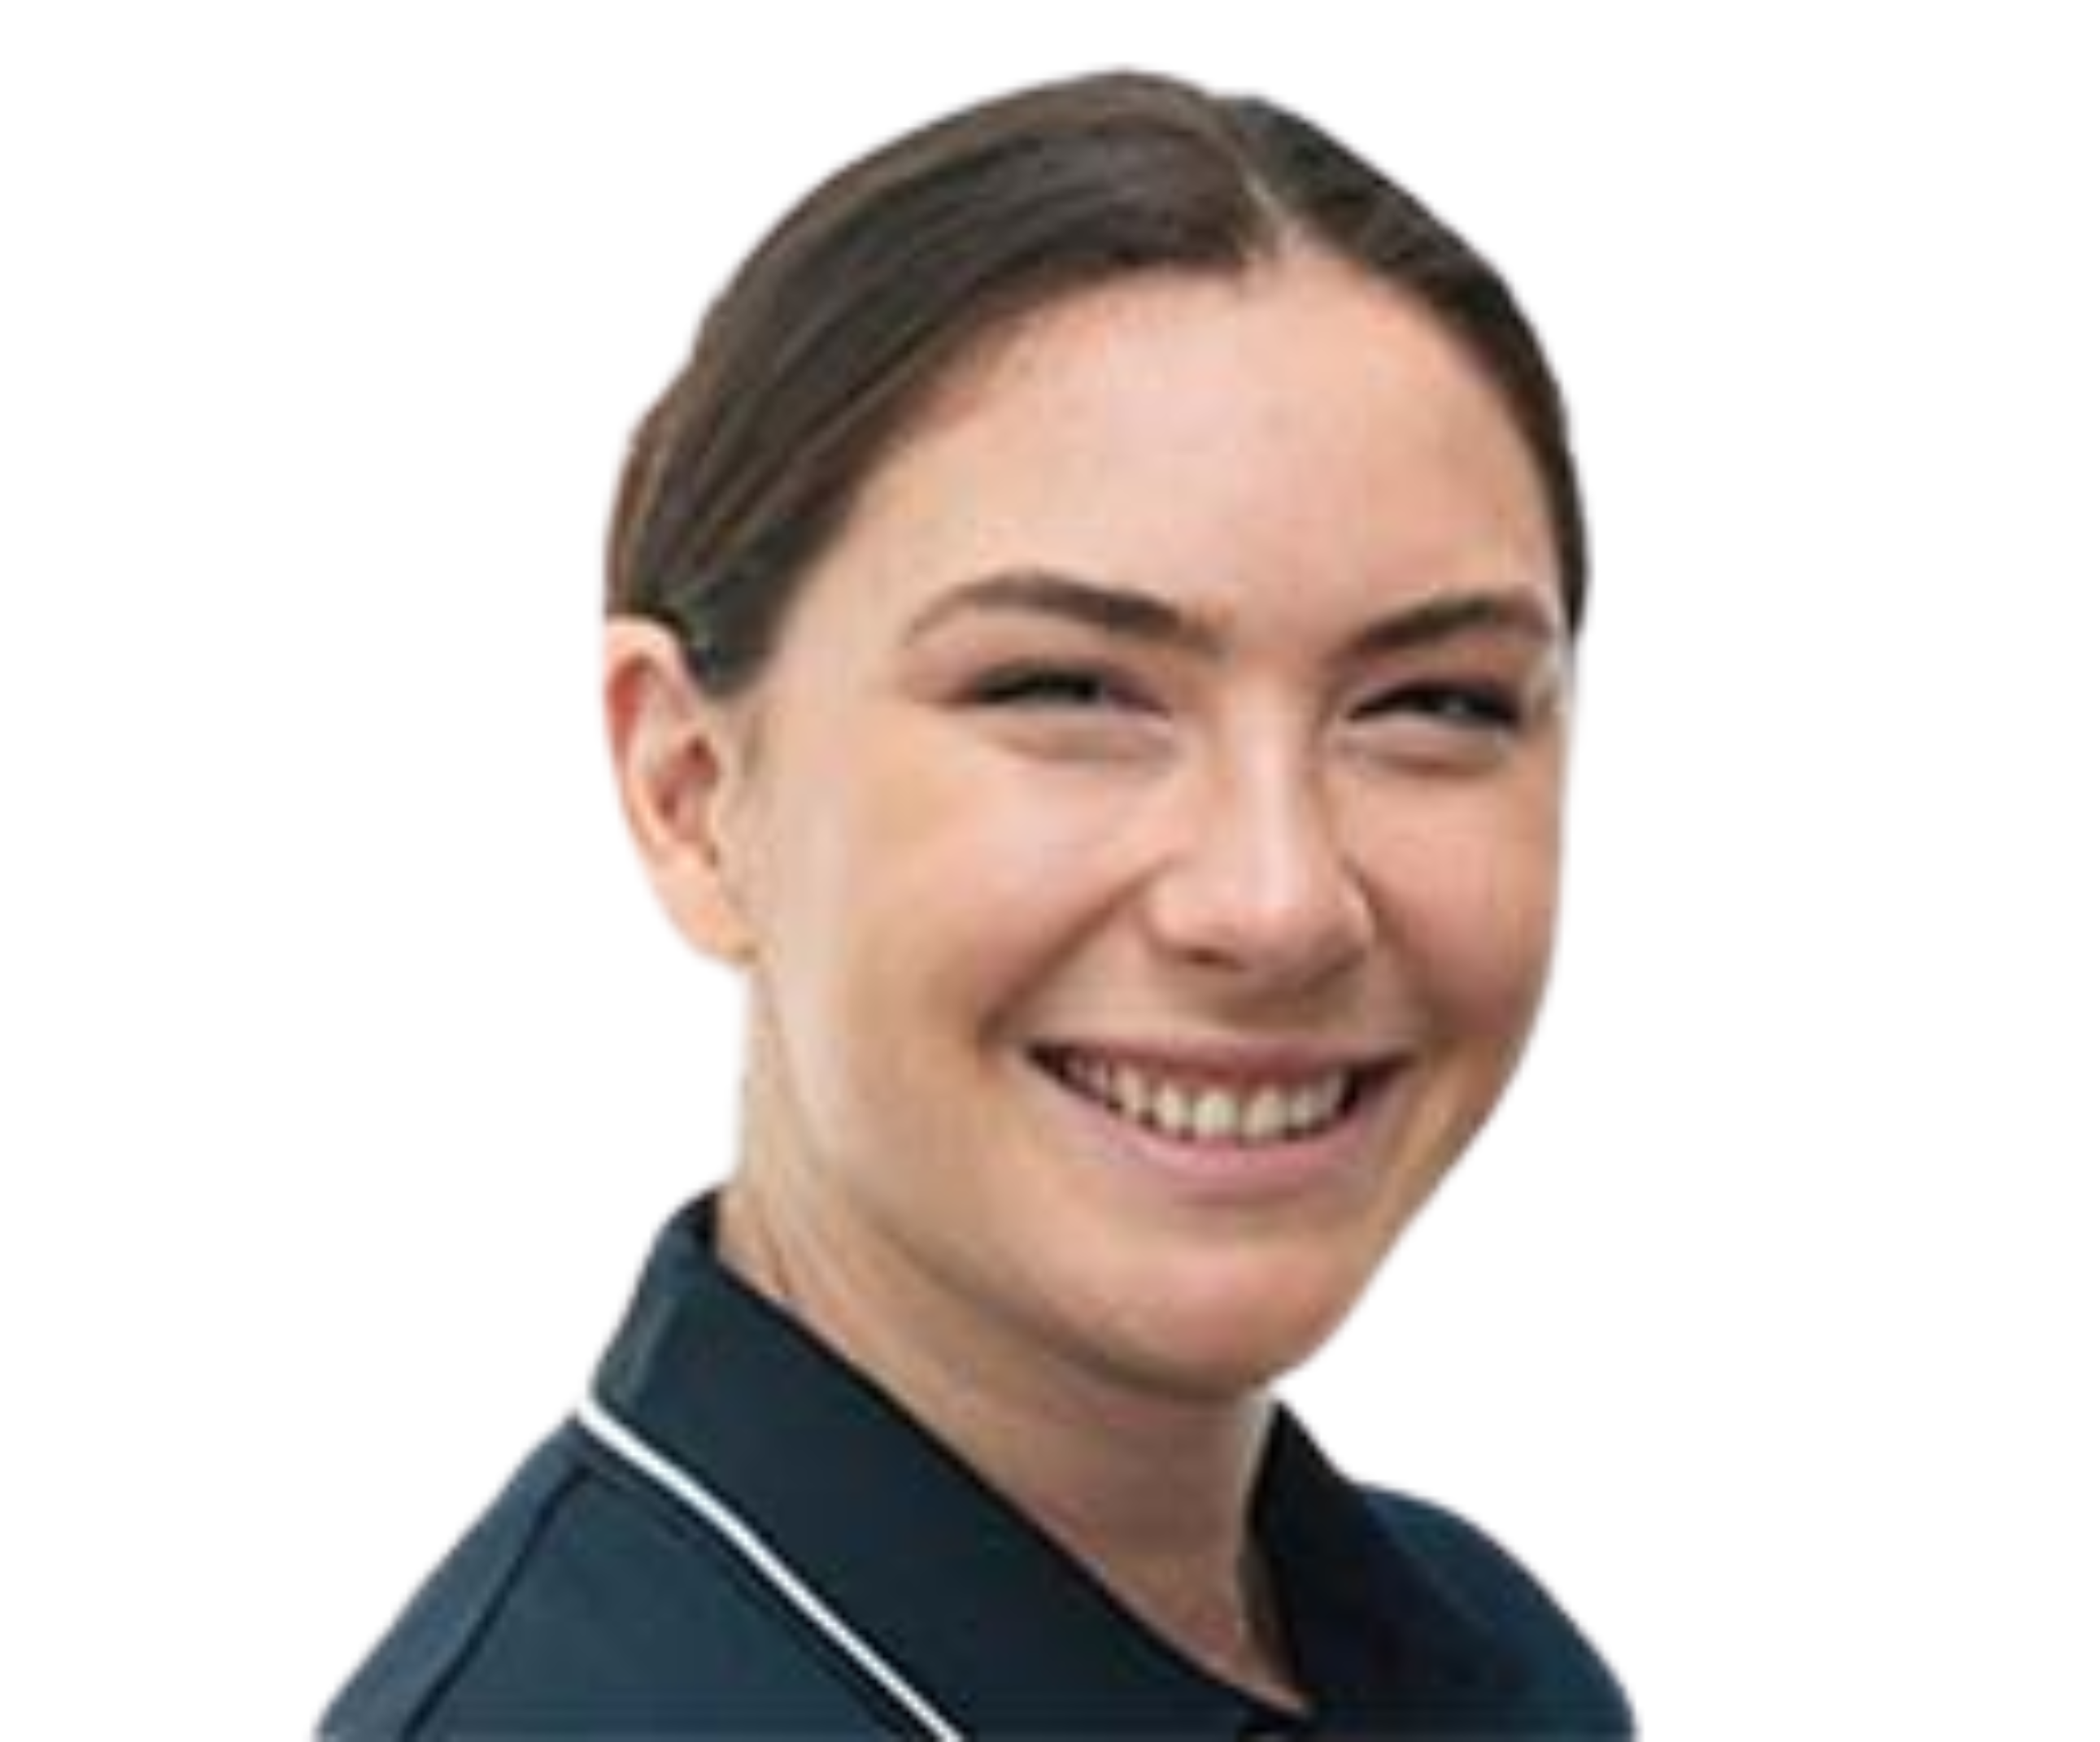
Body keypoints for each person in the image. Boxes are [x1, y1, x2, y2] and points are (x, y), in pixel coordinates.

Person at [324, 70, 1633, 1738]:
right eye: (1065, 688)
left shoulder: (1487, 1669)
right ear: (692, 793)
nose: (1278, 898)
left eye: (1432, 704)